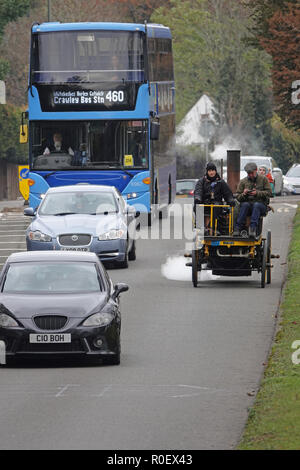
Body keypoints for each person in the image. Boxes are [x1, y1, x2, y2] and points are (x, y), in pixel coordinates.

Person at [194, 162, 235, 235]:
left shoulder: (221, 182)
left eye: (213, 170)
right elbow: (198, 191)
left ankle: (214, 228)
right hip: (204, 202)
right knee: (198, 206)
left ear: (215, 171)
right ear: (207, 172)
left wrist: (230, 200)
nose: (211, 172)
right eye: (209, 171)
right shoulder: (201, 181)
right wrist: (198, 198)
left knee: (216, 206)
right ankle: (201, 228)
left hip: (216, 202)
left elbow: (227, 193)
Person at [233, 162, 272, 238]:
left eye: (252, 173)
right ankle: (237, 228)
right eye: (248, 173)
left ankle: (253, 229)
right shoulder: (243, 181)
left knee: (256, 205)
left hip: (261, 205)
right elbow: (237, 196)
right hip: (248, 204)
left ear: (256, 170)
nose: (250, 175)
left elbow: (269, 193)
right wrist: (243, 194)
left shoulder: (264, 179)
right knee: (245, 205)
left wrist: (257, 193)